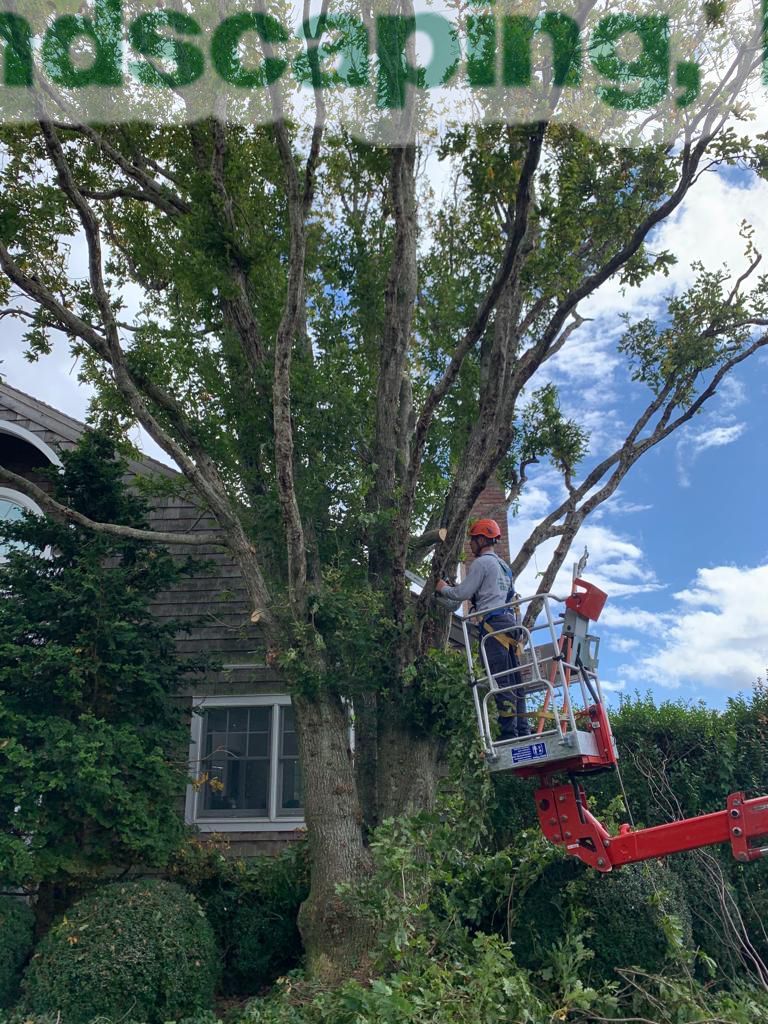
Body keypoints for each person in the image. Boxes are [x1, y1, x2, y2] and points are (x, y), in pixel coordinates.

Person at [436, 519, 530, 739]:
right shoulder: (504, 566)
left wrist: (442, 588)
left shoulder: (481, 564)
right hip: (510, 625)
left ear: (481, 539)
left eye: (472, 540)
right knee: (516, 681)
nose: (471, 544)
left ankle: (508, 734)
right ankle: (522, 730)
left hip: (494, 627)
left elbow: (461, 593)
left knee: (501, 681)